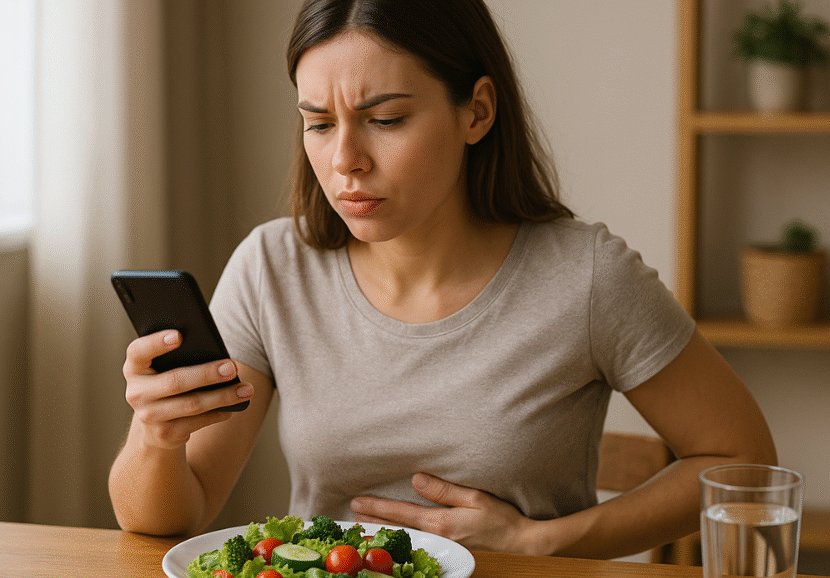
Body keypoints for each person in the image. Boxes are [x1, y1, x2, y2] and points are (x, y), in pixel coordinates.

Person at [109, 0, 777, 559]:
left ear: (476, 112)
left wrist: (546, 542)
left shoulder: (586, 277)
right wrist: (156, 436)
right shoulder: (272, 268)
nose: (344, 161)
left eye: (385, 120)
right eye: (317, 123)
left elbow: (741, 462)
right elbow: (169, 520)